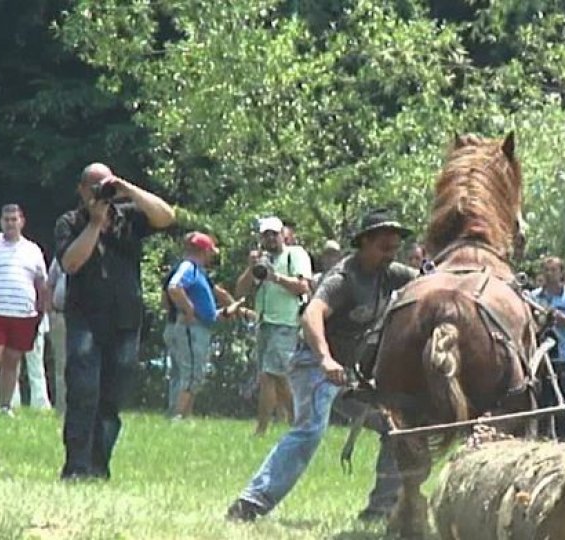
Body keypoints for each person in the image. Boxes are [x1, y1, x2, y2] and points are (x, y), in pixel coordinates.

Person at [226, 208, 418, 523]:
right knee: (310, 431)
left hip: (346, 375)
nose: (390, 255)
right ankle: (249, 504)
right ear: (364, 243)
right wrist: (325, 357)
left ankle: (380, 511)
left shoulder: (390, 273)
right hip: (313, 366)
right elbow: (311, 315)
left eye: (395, 248)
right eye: (384, 247)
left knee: (395, 427)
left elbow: (428, 282)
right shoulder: (344, 278)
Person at [55, 163, 175, 480]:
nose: (99, 192)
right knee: (83, 392)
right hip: (85, 320)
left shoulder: (130, 218)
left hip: (125, 321)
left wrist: (127, 188)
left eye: (103, 185)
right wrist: (94, 224)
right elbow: (71, 263)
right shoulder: (70, 222)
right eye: (93, 186)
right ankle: (76, 467)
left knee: (111, 398)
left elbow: (167, 216)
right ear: (81, 189)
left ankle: (98, 467)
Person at [236, 216, 312, 436]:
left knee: (271, 376)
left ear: (282, 234)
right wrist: (252, 268)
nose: (270, 238)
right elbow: (240, 291)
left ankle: (262, 429)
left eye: (274, 234)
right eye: (265, 234)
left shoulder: (295, 255)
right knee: (277, 378)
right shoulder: (261, 259)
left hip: (286, 323)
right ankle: (298, 423)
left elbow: (303, 287)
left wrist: (275, 277)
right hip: (264, 323)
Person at [0, 204, 48, 417]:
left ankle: (5, 406)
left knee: (12, 361)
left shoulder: (33, 250)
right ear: (1, 222)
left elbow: (41, 282)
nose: (10, 223)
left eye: (14, 219)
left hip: (22, 314)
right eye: (6, 219)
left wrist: (42, 309)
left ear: (22, 221)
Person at [165, 232, 222, 419]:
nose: (212, 255)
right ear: (203, 250)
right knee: (191, 373)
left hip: (199, 327)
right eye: (210, 251)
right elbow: (173, 287)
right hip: (192, 328)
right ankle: (178, 417)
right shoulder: (188, 267)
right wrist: (188, 310)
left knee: (192, 373)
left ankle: (184, 416)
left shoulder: (198, 271)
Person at [531, 256, 565, 439]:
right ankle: (543, 439)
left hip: (562, 356)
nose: (549, 274)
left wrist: (556, 316)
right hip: (540, 358)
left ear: (561, 272)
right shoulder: (533, 296)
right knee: (542, 404)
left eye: (553, 270)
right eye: (546, 270)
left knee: (564, 404)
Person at [47, 258, 68, 413]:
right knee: (62, 365)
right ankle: (62, 409)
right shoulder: (61, 256)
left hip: (88, 318)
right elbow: (50, 284)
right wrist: (50, 313)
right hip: (60, 316)